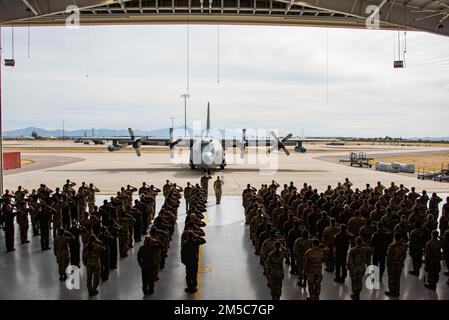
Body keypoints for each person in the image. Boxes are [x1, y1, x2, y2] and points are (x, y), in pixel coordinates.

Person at [385, 232, 407, 297]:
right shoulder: (403, 245)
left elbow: (389, 257)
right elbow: (404, 255)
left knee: (392, 278)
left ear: (394, 238)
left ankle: (392, 291)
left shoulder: (392, 246)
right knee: (397, 278)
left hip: (392, 265)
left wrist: (388, 265)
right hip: (399, 264)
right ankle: (397, 291)